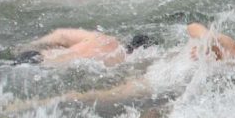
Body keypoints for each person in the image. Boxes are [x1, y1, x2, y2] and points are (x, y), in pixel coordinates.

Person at [17, 28, 156, 67]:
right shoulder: (121, 62)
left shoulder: (102, 38)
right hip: (44, 67)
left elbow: (61, 35)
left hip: (35, 55)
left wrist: (30, 45)